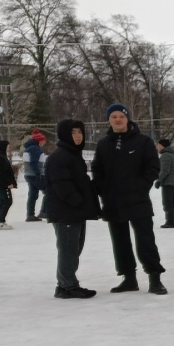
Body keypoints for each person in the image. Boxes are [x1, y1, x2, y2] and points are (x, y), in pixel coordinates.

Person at [92, 103, 166, 295]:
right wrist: (103, 190)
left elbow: (152, 167)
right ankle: (128, 278)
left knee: (145, 240)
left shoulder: (143, 141)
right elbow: (97, 169)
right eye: (114, 117)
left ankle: (154, 277)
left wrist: (140, 187)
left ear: (127, 119)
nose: (118, 120)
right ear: (109, 120)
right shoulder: (103, 144)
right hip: (113, 201)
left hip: (137, 200)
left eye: (121, 116)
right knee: (120, 241)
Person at [43, 119, 100, 298]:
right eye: (73, 132)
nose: (77, 136)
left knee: (74, 249)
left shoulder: (72, 154)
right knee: (68, 249)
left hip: (74, 211)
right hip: (65, 212)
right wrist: (77, 201)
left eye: (80, 132)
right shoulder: (60, 156)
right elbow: (61, 184)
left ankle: (65, 284)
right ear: (64, 134)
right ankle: (67, 286)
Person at [22, 129, 47, 221]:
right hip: (34, 175)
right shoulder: (35, 149)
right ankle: (44, 212)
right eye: (43, 140)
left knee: (32, 194)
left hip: (29, 174)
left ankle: (30, 215)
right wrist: (39, 174)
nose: (44, 142)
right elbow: (34, 163)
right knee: (48, 191)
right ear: (39, 140)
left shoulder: (28, 148)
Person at [156, 138, 174, 227]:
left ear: (162, 146)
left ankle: (170, 221)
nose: (157, 147)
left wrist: (159, 180)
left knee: (167, 202)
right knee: (172, 202)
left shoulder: (165, 155)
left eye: (158, 145)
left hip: (168, 182)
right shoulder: (171, 154)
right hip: (173, 182)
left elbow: (165, 170)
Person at [0, 139, 15, 229]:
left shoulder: (1, 156)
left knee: (2, 200)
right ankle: (1, 221)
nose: (9, 148)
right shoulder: (0, 157)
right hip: (3, 184)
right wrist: (8, 183)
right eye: (8, 146)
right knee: (7, 201)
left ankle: (0, 221)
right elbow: (1, 173)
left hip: (1, 184)